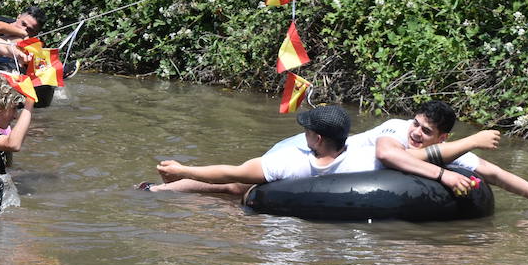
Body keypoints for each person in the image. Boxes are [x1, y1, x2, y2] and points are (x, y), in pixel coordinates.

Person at [373, 100, 528, 217]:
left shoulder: (446, 150)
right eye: (415, 124)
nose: (415, 133)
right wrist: (444, 175)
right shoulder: (397, 127)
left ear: (442, 138)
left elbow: (495, 174)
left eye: (426, 131)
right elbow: (387, 154)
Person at [151, 106, 374, 194]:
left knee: (233, 187)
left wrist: (183, 168)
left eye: (305, 131)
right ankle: (160, 189)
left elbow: (231, 173)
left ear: (317, 139)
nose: (302, 134)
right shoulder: (365, 160)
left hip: (277, 186)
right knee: (237, 189)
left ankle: (157, 190)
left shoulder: (290, 161)